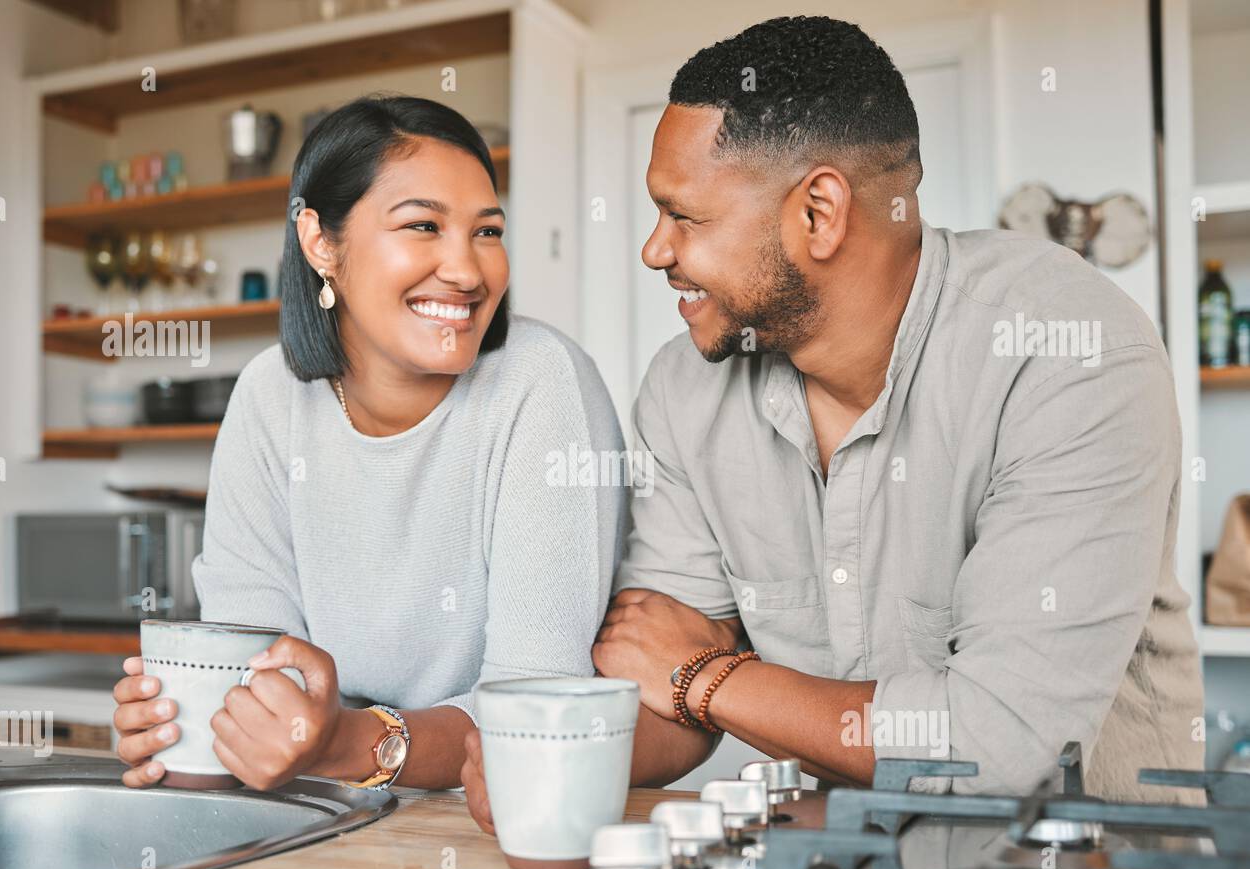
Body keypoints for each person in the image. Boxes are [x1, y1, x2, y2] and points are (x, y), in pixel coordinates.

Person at [469, 15, 1204, 823]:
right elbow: (660, 682)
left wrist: (712, 679)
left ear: (819, 212)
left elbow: (997, 742)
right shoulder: (686, 386)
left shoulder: (1068, 350)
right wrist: (554, 757)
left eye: (685, 217)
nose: (655, 250)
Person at [111, 95, 627, 794]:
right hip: (322, 814)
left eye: (487, 232)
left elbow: (535, 708)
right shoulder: (269, 395)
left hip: (496, 818)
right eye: (423, 225)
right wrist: (190, 728)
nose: (469, 272)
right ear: (321, 241)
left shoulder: (541, 381)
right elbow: (254, 665)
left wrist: (351, 742)